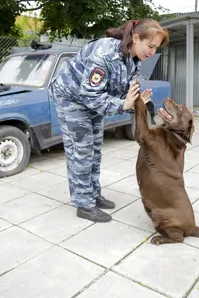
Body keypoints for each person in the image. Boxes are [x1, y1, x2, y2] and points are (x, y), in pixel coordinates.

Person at [51, 18, 169, 222]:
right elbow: (90, 95)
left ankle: (93, 194)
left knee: (95, 147)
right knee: (82, 150)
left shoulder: (133, 59)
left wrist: (136, 102)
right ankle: (84, 203)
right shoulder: (104, 54)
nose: (152, 53)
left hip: (94, 99)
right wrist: (124, 104)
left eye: (155, 48)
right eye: (150, 46)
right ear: (136, 38)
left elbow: (123, 89)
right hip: (71, 98)